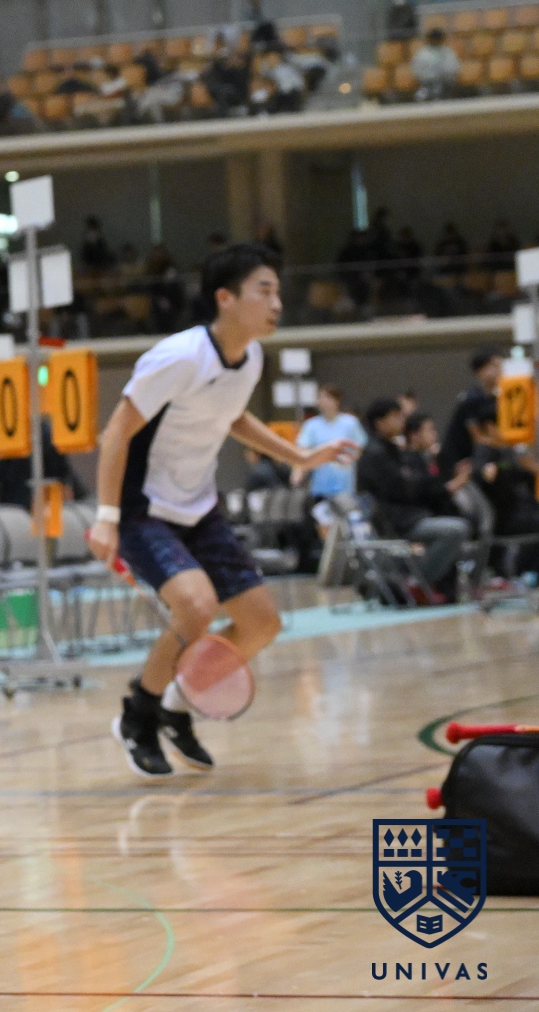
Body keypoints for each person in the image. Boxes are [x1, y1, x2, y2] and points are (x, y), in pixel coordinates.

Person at [87, 241, 352, 781]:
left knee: (261, 623)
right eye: (264, 291)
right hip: (143, 508)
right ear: (225, 298)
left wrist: (299, 456)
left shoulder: (250, 358)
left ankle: (177, 706)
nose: (277, 303)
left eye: (278, 291)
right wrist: (107, 515)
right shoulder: (179, 357)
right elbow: (115, 432)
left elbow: (233, 417)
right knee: (196, 606)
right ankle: (138, 715)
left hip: (199, 507)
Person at [356, 400, 473, 600]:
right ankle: (415, 584)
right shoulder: (375, 454)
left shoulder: (392, 450)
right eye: (395, 416)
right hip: (396, 521)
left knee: (460, 530)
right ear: (379, 422)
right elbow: (400, 489)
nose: (401, 421)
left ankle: (424, 584)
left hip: (408, 516)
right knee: (455, 530)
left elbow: (412, 485)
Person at [292, 384, 366, 506]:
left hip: (345, 485)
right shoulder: (311, 425)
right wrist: (297, 473)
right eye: (320, 397)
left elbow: (360, 446)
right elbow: (302, 450)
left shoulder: (350, 423)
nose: (323, 401)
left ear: (336, 400)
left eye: (327, 397)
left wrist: (351, 457)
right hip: (320, 486)